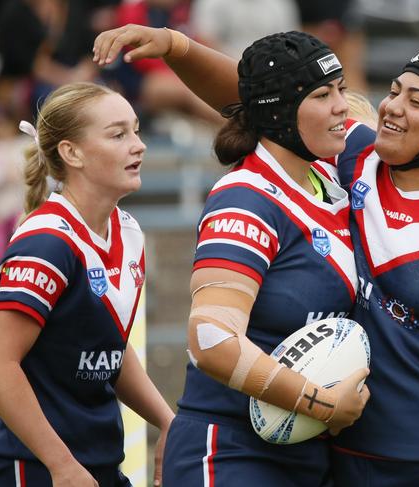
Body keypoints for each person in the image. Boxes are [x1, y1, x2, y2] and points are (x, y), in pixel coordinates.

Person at [93, 27, 419, 486]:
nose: (389, 108)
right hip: (352, 456)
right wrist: (175, 46)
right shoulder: (358, 160)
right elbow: (271, 97)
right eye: (393, 92)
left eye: (417, 101)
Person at [105, 30, 369, 485]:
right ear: (282, 115)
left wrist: (177, 46)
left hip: (305, 456)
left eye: (342, 90)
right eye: (325, 94)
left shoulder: (329, 177)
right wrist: (319, 403)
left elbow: (258, 89)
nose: (343, 106)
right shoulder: (246, 198)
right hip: (230, 453)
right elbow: (211, 339)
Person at [0, 82, 174, 487]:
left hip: (98, 463)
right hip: (36, 469)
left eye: (137, 130)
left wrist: (167, 421)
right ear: (72, 152)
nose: (138, 145)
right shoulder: (46, 243)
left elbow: (110, 350)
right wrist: (61, 465)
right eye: (118, 134)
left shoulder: (128, 232)